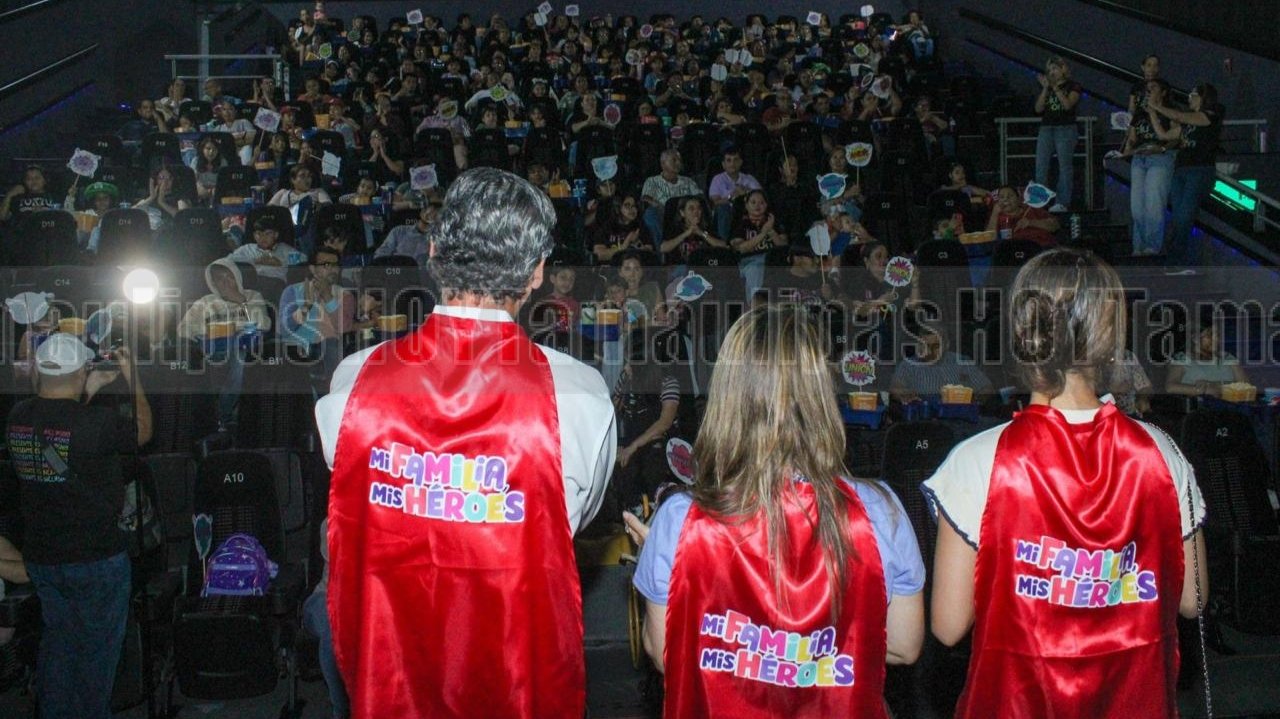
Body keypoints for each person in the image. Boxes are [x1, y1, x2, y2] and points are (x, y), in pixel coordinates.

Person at [316, 168, 616, 718]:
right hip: (517, 683)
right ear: (537, 273)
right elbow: (575, 519)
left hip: (392, 682)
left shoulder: (351, 383)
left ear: (433, 252)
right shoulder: (582, 394)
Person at [925, 248, 1208, 718]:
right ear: (1109, 335)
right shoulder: (1163, 453)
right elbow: (1193, 601)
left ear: (1021, 333)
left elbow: (948, 625)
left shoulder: (976, 460)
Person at [629, 304, 925, 717]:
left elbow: (664, 653)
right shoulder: (880, 509)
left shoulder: (680, 520)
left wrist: (662, 558)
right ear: (821, 396)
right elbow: (904, 645)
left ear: (727, 398)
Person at [6, 334, 152, 719]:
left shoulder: (17, 417)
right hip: (94, 557)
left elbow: (63, 438)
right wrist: (133, 378)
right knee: (96, 659)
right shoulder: (97, 422)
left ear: (39, 371)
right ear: (82, 371)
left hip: (42, 557)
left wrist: (86, 389)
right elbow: (142, 431)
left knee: (59, 648)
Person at [1148, 83, 1224, 266]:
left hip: (1199, 170)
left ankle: (1177, 261)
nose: (1189, 97)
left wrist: (1157, 106)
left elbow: (1179, 116)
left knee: (1185, 216)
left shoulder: (1210, 115)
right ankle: (1176, 259)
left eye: (1193, 94)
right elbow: (1164, 135)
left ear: (1203, 97)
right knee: (1178, 216)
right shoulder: (1188, 125)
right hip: (1181, 170)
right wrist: (1152, 113)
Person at [1119, 79, 1176, 257]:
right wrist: (1127, 149)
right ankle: (1139, 245)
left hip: (1159, 157)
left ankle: (1152, 246)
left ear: (1163, 92)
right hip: (1139, 157)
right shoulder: (1140, 113)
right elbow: (1132, 139)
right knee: (1137, 206)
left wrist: (1162, 148)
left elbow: (1176, 136)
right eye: (1147, 89)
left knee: (1154, 203)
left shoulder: (1170, 111)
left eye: (1153, 88)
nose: (1149, 91)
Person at [1033, 57, 1081, 213]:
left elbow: (1067, 105)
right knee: (1041, 166)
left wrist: (1055, 88)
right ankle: (1041, 202)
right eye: (1050, 70)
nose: (1052, 72)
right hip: (1046, 128)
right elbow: (1038, 109)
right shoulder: (1047, 88)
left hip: (1065, 128)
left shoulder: (1073, 86)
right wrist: (1045, 89)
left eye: (1055, 68)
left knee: (1064, 166)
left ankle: (1062, 202)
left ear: (1063, 69)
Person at [1164, 310, 1250, 397]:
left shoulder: (1227, 357)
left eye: (1217, 335)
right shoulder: (1182, 358)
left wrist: (1214, 385)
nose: (1216, 339)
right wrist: (1203, 390)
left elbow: (1246, 386)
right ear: (1195, 338)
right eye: (1210, 335)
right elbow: (1171, 387)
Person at [641, 149, 702, 245]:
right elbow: (645, 199)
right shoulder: (652, 181)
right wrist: (659, 206)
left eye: (679, 160)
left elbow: (700, 197)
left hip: (686, 217)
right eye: (674, 160)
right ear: (663, 164)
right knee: (650, 213)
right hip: (663, 215)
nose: (678, 163)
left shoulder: (688, 181)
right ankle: (660, 249)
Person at [226, 215, 305, 283]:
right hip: (251, 283)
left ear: (276, 235)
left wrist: (280, 262)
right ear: (254, 236)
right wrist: (255, 261)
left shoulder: (284, 250)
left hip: (275, 283)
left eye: (268, 233)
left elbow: (303, 262)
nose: (263, 237)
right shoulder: (248, 249)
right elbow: (229, 260)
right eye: (259, 234)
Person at [707, 148, 762, 240]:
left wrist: (746, 192)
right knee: (723, 209)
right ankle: (724, 244)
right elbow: (715, 202)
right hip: (728, 212)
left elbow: (761, 197)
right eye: (729, 160)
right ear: (723, 164)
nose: (732, 164)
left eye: (735, 160)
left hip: (748, 212)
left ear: (740, 162)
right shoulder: (717, 179)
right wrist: (732, 196)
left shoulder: (749, 179)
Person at [985, 185, 1060, 247]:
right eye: (1001, 197)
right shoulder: (997, 216)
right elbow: (988, 240)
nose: (1006, 199)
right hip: (1013, 251)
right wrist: (994, 213)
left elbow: (1055, 226)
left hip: (1041, 248)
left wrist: (1030, 222)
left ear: (1018, 199)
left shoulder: (1031, 208)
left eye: (1010, 196)